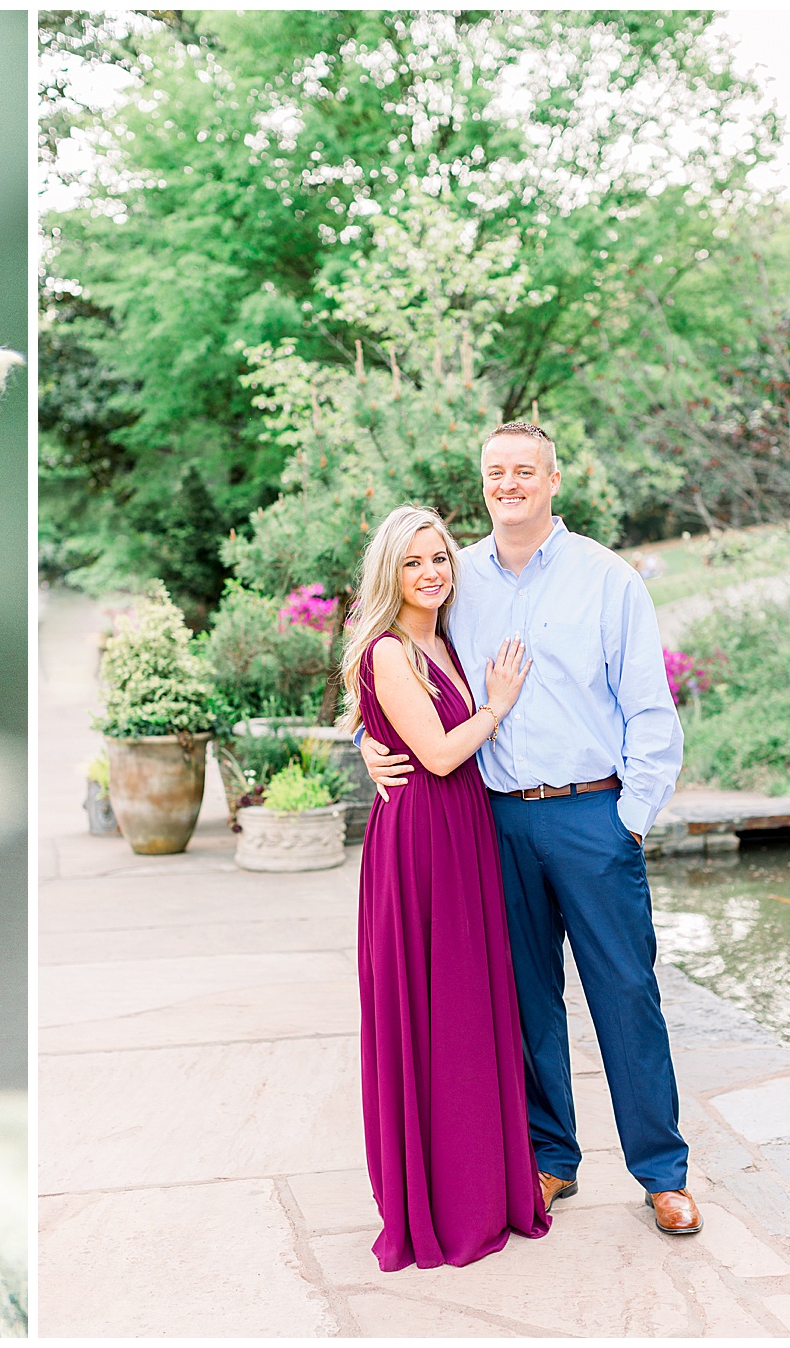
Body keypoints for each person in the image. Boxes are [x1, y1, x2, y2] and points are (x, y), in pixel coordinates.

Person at [362, 423, 701, 1237]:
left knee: (627, 995)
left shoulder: (607, 579)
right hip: (494, 822)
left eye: (524, 470)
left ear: (554, 480)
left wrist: (629, 821)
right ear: (482, 483)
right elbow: (400, 661)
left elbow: (651, 712)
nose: (508, 484)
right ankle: (551, 1159)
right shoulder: (457, 579)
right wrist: (369, 740)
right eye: (495, 472)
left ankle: (662, 1175)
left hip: (593, 816)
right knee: (524, 1003)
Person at [340, 502, 549, 1271]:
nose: (430, 573)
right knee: (434, 1014)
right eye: (412, 562)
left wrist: (365, 737)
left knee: (465, 1011)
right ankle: (443, 1204)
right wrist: (497, 706)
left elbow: (384, 725)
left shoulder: (443, 638)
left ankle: (478, 1185)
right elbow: (434, 754)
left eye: (438, 559)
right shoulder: (390, 649)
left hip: (461, 832)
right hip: (422, 843)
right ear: (388, 573)